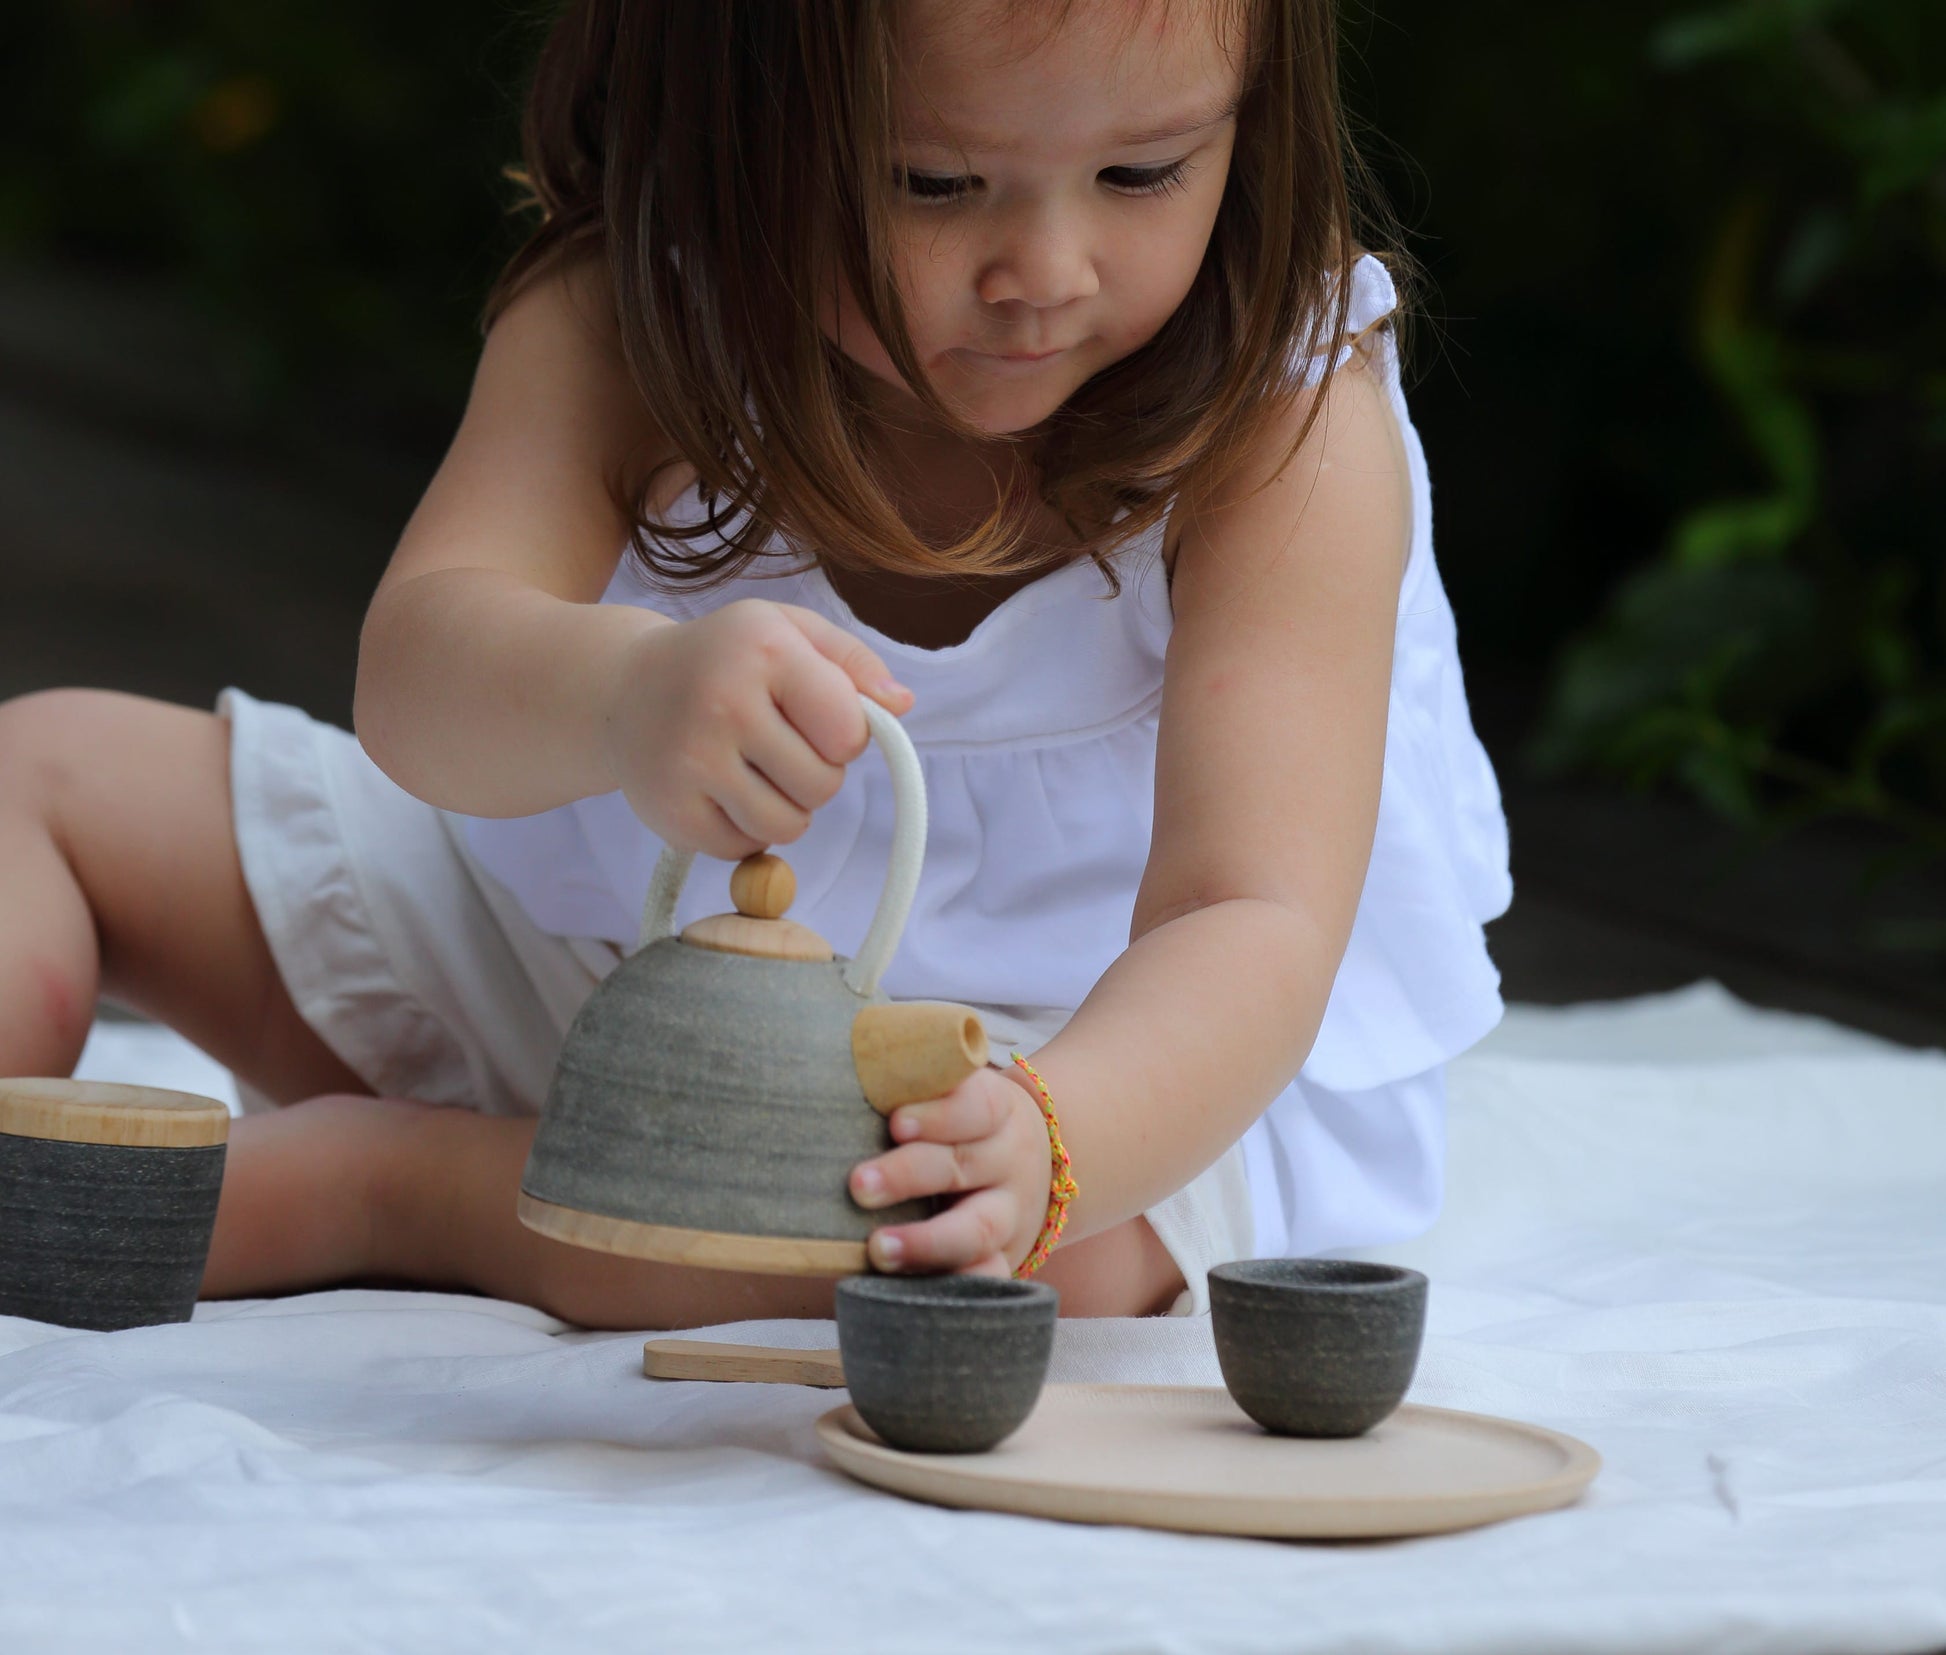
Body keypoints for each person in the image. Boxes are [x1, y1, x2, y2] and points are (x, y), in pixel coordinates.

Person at [0, 0, 1508, 1327]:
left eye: (1142, 172)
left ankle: (390, 1192)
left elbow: (1245, 915)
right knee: (48, 771)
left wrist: (1049, 1139)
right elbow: (418, 679)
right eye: (934, 182)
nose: (1045, 269)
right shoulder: (633, 324)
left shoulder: (1282, 422)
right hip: (599, 973)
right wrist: (619, 692)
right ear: (727, 127)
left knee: (1024, 1256)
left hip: (1057, 1065)